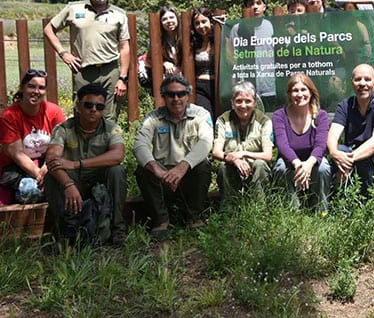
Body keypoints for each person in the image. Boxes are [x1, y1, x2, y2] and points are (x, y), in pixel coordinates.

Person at [44, 83, 127, 245]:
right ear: (78, 105)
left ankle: (118, 228)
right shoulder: (64, 129)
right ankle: (65, 230)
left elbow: (118, 155)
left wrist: (77, 164)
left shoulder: (111, 128)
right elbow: (52, 159)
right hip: (74, 180)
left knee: (117, 171)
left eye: (99, 106)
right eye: (88, 105)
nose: (93, 109)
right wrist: (68, 184)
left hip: (99, 178)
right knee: (51, 176)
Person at [134, 75, 214, 238]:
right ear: (163, 97)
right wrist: (158, 170)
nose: (176, 98)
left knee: (203, 166)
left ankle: (194, 217)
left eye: (181, 94)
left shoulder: (201, 114)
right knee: (143, 170)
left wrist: (183, 166)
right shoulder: (153, 118)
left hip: (188, 176)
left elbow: (206, 143)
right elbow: (139, 145)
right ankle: (161, 220)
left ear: (188, 95)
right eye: (170, 94)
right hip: (163, 178)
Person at [44, 0, 130, 121]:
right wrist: (63, 53)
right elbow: (49, 30)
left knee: (108, 117)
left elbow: (124, 47)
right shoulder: (74, 9)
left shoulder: (119, 14)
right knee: (82, 115)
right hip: (83, 71)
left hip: (110, 71)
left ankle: (106, 144)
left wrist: (122, 77)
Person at [0, 69, 65, 205]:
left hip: (47, 164)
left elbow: (60, 143)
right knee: (30, 191)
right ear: (22, 88)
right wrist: (41, 177)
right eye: (31, 86)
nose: (36, 91)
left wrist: (49, 166)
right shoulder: (9, 116)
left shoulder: (54, 111)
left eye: (41, 88)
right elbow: (17, 154)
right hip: (15, 168)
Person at [327, 64, 374, 195]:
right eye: (358, 79)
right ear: (352, 83)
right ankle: (339, 199)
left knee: (365, 159)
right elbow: (333, 135)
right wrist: (334, 152)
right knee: (339, 150)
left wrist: (348, 159)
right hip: (350, 152)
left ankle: (370, 202)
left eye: (367, 79)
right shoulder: (345, 105)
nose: (362, 83)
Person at [272, 73, 332, 211]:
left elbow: (321, 145)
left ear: (311, 92)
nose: (300, 94)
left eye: (303, 90)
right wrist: (298, 164)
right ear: (289, 94)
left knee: (323, 167)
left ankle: (321, 211)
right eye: (295, 90)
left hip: (312, 160)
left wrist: (309, 164)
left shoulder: (321, 116)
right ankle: (291, 211)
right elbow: (282, 145)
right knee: (281, 167)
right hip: (291, 160)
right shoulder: (279, 115)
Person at [214, 81, 273, 201]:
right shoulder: (223, 120)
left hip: (256, 169)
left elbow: (268, 155)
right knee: (223, 167)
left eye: (248, 101)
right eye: (239, 101)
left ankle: (258, 208)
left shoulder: (264, 121)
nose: (243, 105)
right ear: (232, 102)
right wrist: (235, 159)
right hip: (233, 167)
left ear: (255, 103)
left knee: (260, 164)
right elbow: (216, 152)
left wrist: (244, 154)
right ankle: (229, 209)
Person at [228, 0, 277, 107]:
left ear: (264, 7)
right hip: (245, 89)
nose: (255, 7)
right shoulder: (237, 29)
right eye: (251, 4)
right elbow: (231, 60)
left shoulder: (272, 26)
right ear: (245, 8)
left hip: (269, 88)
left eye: (258, 3)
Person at [191, 7, 217, 120]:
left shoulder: (220, 40)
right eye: (197, 23)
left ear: (211, 22)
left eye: (204, 21)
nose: (201, 26)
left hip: (218, 86)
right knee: (206, 120)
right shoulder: (192, 44)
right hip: (200, 87)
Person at [145, 4, 183, 78]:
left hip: (186, 78)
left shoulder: (185, 36)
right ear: (161, 23)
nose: (169, 21)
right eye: (164, 19)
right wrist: (164, 63)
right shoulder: (157, 40)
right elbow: (149, 60)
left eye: (171, 17)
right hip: (166, 80)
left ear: (177, 19)